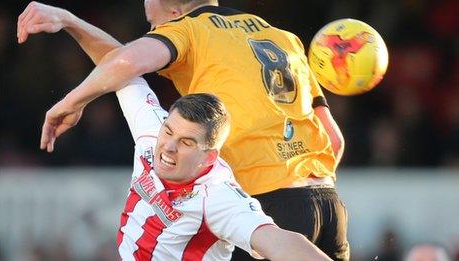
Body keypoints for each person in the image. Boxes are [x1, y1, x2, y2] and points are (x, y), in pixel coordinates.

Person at [18, 1, 349, 260]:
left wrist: (72, 101)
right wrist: (71, 22)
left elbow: (126, 64)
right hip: (328, 203)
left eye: (152, 26)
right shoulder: (282, 38)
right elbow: (332, 139)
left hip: (264, 202)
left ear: (174, 14)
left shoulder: (190, 30)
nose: (152, 32)